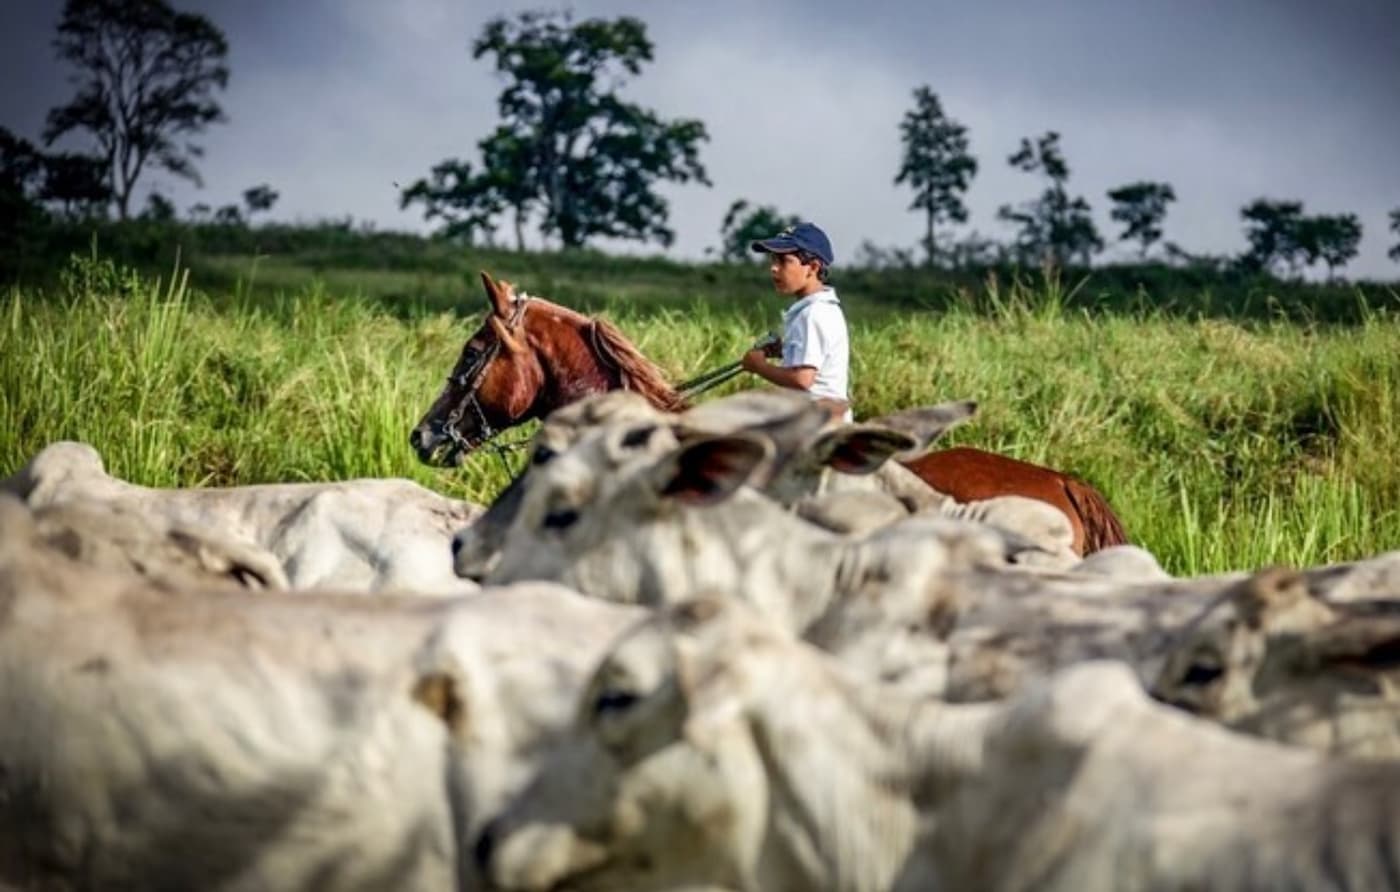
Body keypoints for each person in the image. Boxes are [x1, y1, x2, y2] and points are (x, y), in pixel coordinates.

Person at [740, 221, 852, 421]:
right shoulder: (822, 309)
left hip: (816, 423)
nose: (774, 268)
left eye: (784, 261)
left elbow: (802, 380)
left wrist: (759, 366)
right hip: (825, 416)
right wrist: (786, 350)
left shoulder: (812, 314)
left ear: (813, 267)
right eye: (773, 260)